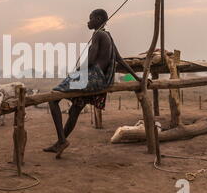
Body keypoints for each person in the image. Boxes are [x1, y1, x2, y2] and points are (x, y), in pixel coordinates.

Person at [44, 9, 142, 158]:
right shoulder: (108, 36)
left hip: (92, 77)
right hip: (101, 80)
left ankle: (62, 140)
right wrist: (138, 78)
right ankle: (60, 143)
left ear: (98, 18)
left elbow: (90, 61)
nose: (88, 22)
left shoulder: (97, 34)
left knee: (53, 99)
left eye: (90, 19)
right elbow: (120, 60)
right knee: (76, 109)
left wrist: (76, 71)